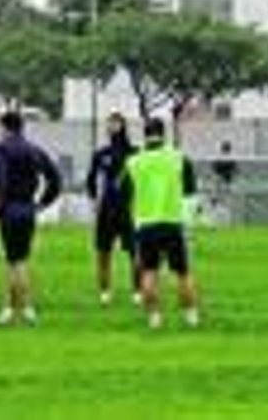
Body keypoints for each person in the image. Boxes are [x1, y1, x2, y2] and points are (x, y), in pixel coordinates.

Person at [120, 117, 201, 330]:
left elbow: (122, 193)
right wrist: (189, 223)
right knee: (182, 272)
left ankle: (154, 318)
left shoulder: (133, 162)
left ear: (144, 135)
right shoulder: (179, 158)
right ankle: (191, 315)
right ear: (164, 134)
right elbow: (191, 194)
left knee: (148, 272)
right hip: (173, 222)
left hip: (146, 224)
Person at [0, 110, 63, 327]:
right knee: (21, 260)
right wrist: (43, 203)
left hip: (9, 209)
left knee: (12, 262)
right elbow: (55, 178)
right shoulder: (34, 150)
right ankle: (23, 308)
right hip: (28, 209)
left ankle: (14, 309)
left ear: (5, 128)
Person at [86, 113, 138, 306]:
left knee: (135, 252)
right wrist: (94, 202)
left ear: (123, 126)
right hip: (106, 209)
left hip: (128, 209)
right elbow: (90, 180)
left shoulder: (134, 153)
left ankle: (137, 292)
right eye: (108, 123)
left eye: (115, 123)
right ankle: (105, 292)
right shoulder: (101, 154)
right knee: (103, 252)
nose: (111, 126)